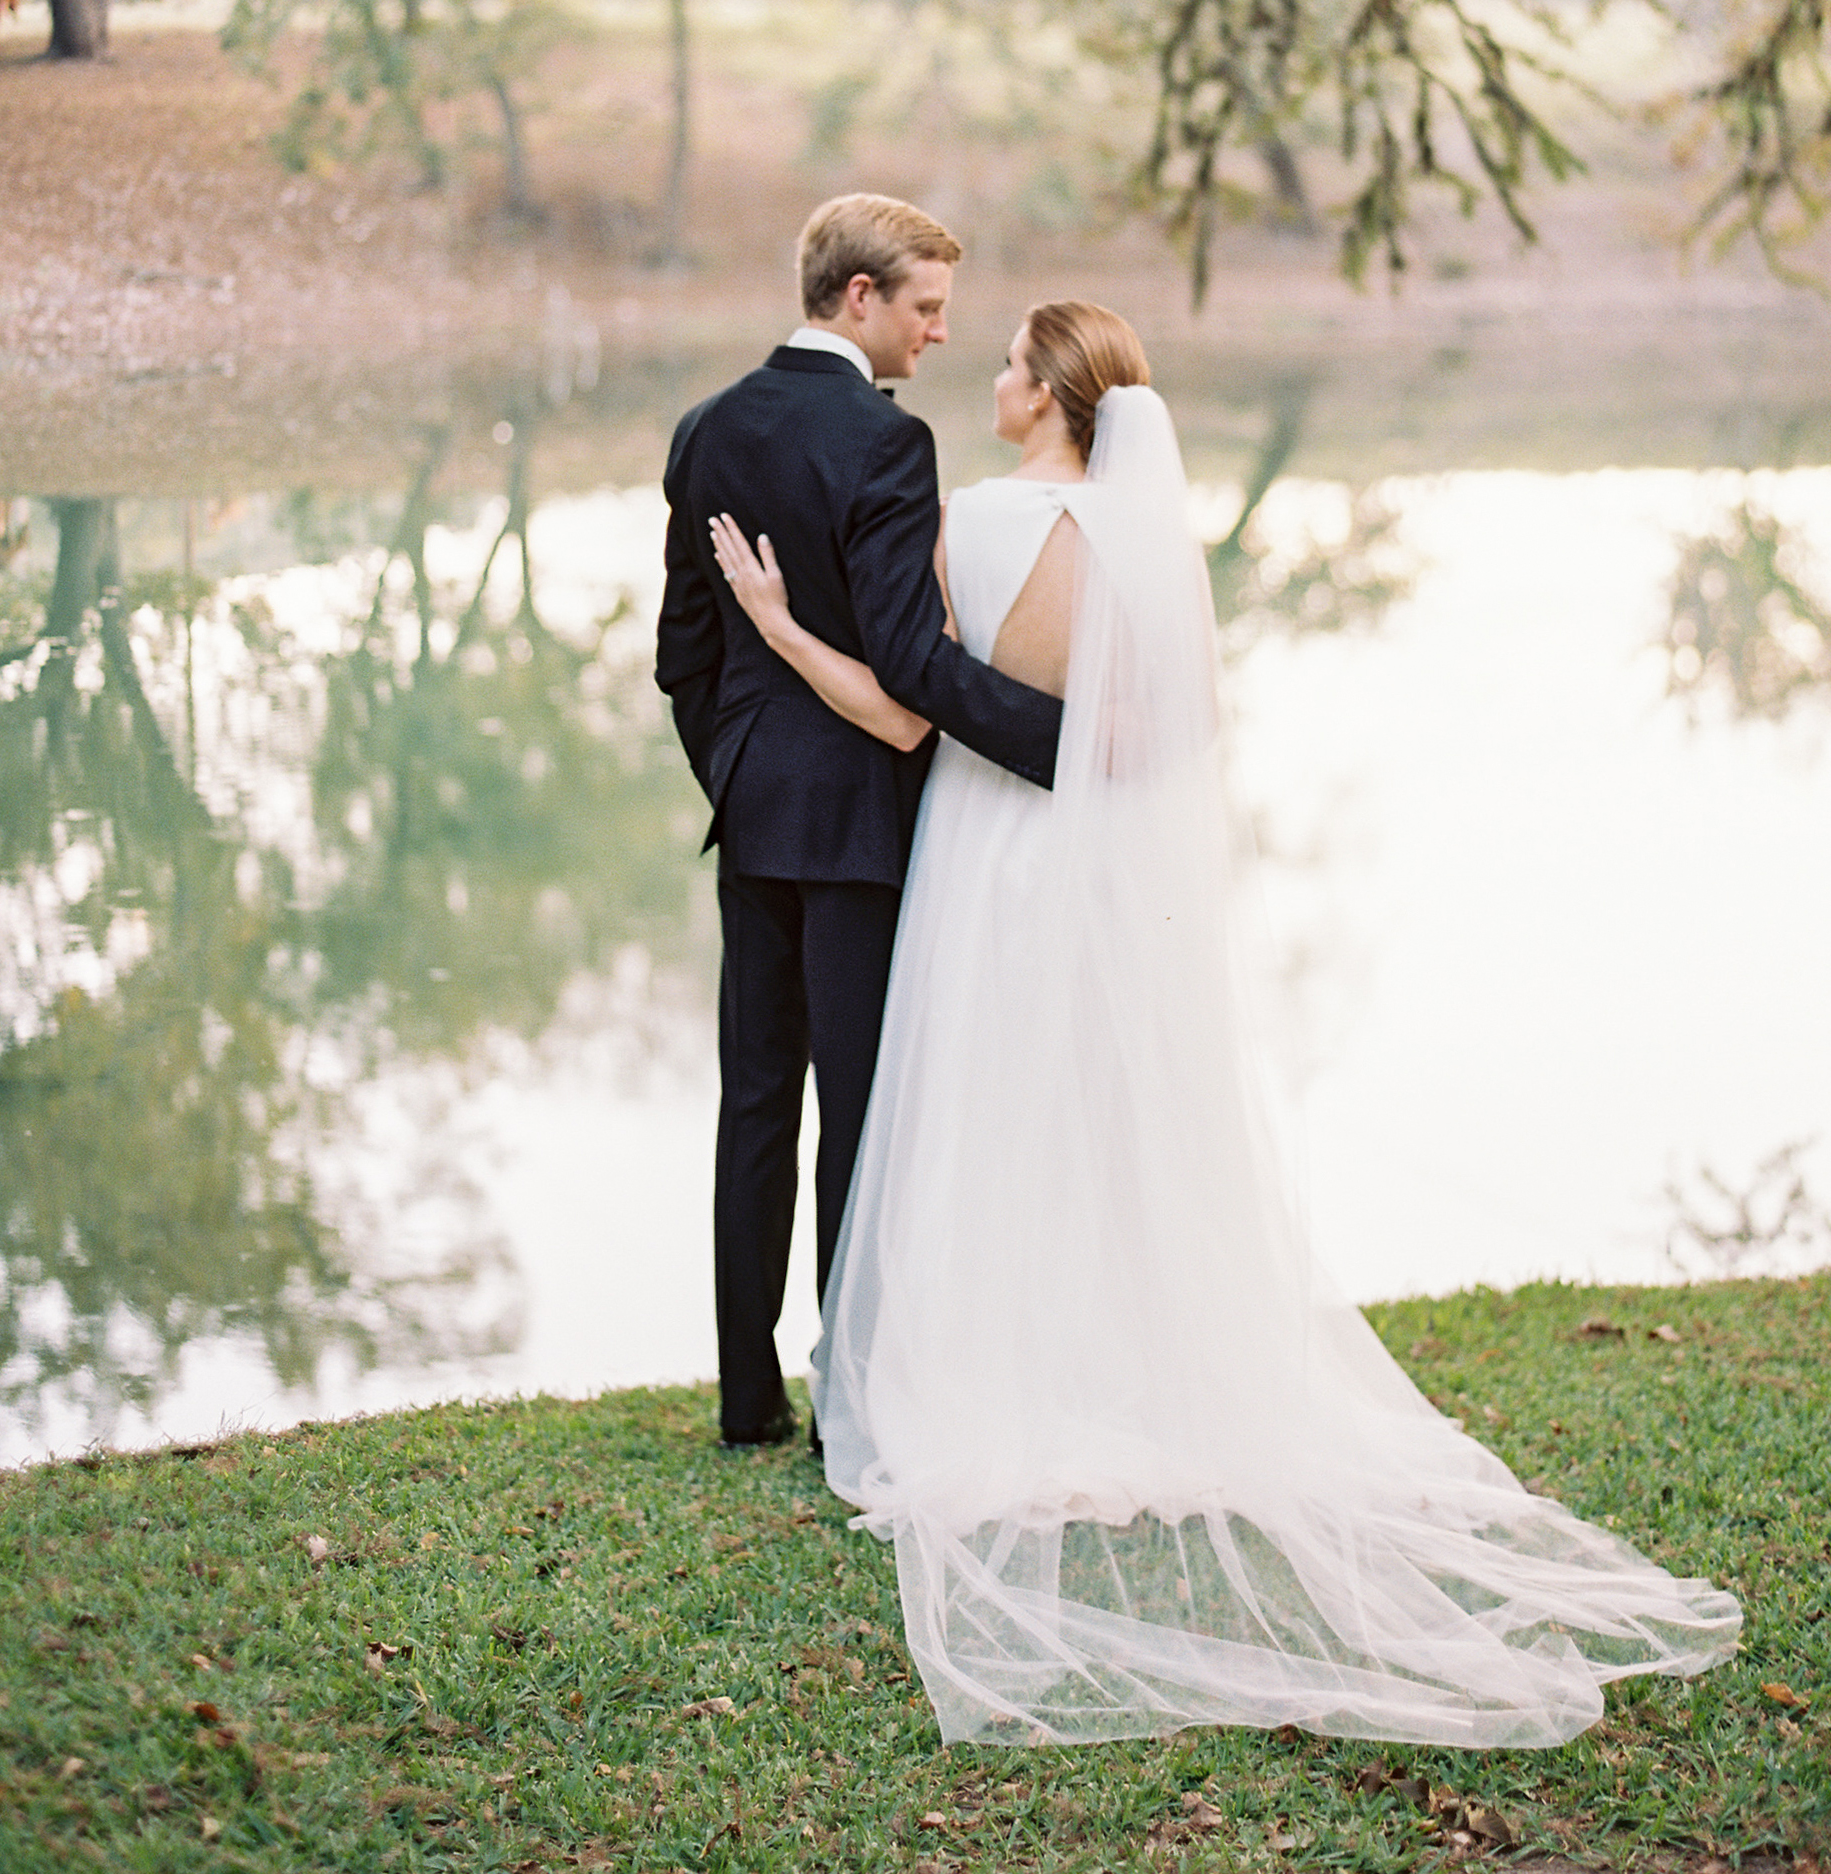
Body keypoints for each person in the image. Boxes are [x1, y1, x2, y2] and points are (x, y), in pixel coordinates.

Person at [706, 298, 1743, 1747]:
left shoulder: (979, 517)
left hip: (990, 850)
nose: (988, 375)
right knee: (1109, 1116)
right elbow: (1176, 727)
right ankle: (1120, 1369)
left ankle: (983, 1373)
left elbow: (907, 707)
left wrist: (768, 622)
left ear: (1052, 395)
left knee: (985, 1111)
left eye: (1008, 362)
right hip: (1102, 863)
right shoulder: (1152, 540)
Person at [655, 195, 1066, 1450]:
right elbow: (904, 662)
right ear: (859, 299)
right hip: (861, 830)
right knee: (862, 1116)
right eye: (926, 308)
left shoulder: (705, 427)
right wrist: (1061, 741)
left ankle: (745, 1400)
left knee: (756, 1105)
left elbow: (683, 655)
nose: (939, 335)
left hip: (754, 814)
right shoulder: (885, 445)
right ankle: (847, 1402)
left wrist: (735, 770)